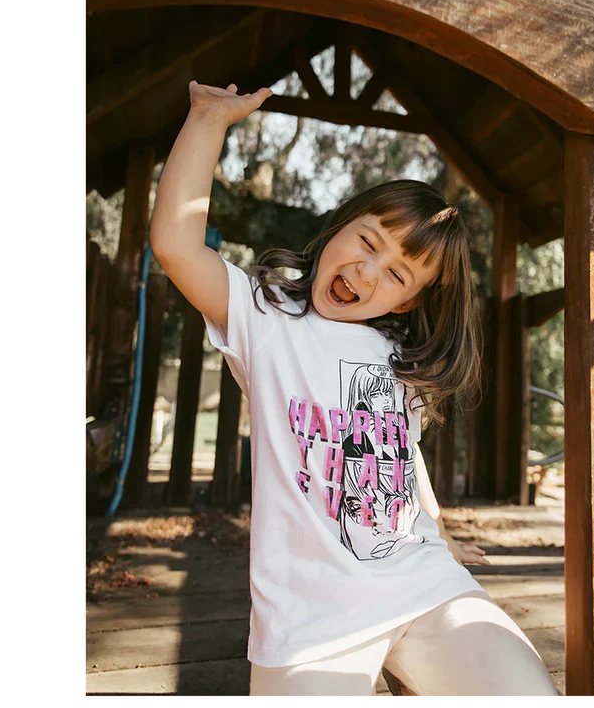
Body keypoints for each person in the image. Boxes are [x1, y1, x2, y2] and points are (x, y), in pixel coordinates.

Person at [149, 81, 563, 700]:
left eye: (397, 273)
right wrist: (209, 120)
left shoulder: (401, 359)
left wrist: (438, 529)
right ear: (341, 225)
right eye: (367, 242)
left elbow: (401, 452)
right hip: (310, 618)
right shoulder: (268, 320)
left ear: (411, 299)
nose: (369, 272)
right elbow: (176, 245)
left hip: (425, 585)